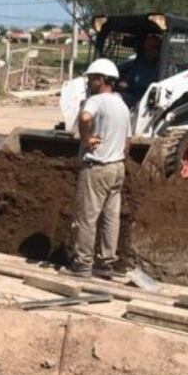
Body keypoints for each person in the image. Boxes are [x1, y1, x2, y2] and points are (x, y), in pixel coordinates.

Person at [66, 58, 132, 279]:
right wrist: (120, 158)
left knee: (86, 217)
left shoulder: (96, 101)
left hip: (97, 167)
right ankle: (106, 263)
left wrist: (86, 138)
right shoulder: (121, 104)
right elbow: (128, 140)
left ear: (102, 80)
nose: (89, 83)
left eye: (92, 79)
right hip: (117, 168)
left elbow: (85, 117)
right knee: (111, 218)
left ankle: (83, 264)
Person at [117, 34, 162, 107]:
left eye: (151, 49)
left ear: (160, 49)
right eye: (146, 49)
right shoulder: (140, 65)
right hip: (135, 100)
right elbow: (128, 83)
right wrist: (118, 84)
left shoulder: (165, 68)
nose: (148, 52)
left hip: (155, 104)